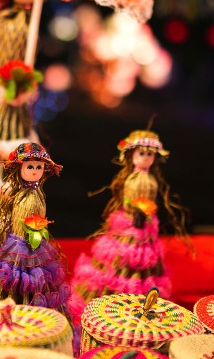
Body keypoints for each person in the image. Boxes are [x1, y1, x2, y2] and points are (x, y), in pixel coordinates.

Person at [70, 130, 191, 316]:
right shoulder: (132, 179)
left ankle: (139, 304)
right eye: (141, 153)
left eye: (150, 154)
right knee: (122, 261)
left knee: (144, 262)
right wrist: (136, 215)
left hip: (145, 225)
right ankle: (111, 302)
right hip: (129, 224)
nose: (145, 157)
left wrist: (145, 215)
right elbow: (129, 200)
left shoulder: (150, 179)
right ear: (132, 155)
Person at [0, 142, 72, 323]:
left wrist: (37, 231)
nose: (35, 170)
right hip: (18, 244)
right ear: (19, 168)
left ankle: (33, 319)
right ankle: (9, 317)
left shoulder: (38, 194)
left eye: (39, 167)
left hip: (36, 244)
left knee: (37, 284)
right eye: (30, 166)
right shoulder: (19, 195)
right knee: (15, 280)